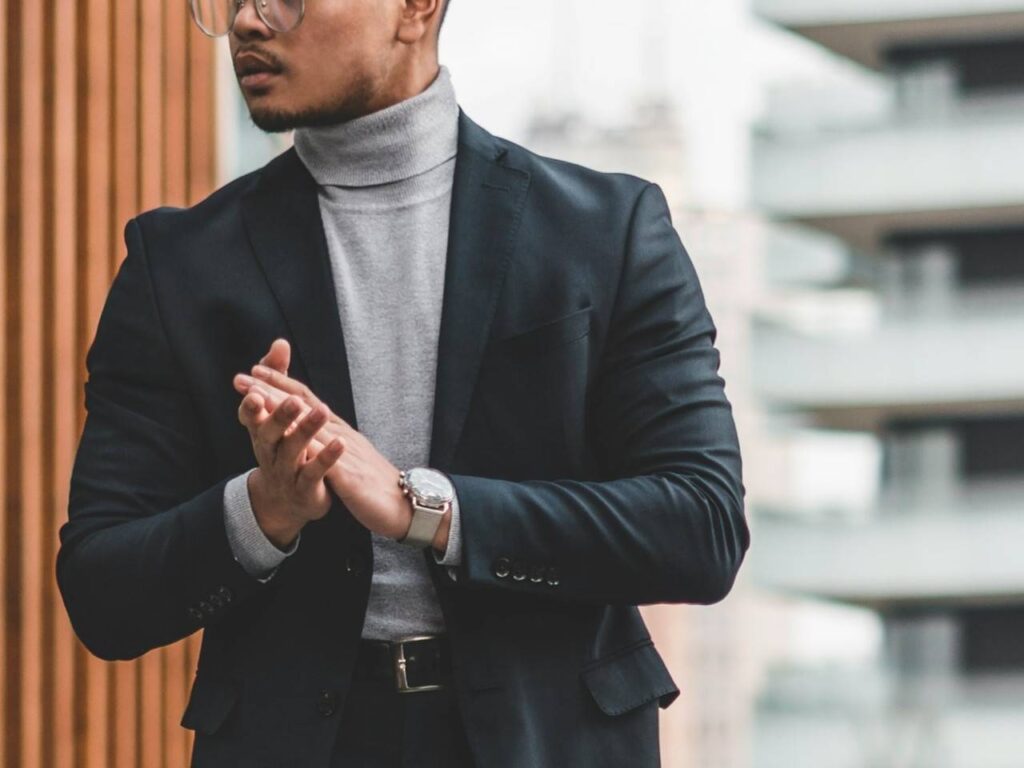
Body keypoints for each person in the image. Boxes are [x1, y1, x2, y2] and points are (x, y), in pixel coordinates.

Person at [56, 0, 750, 765]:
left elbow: (702, 527)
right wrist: (263, 510)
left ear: (415, 7)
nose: (249, 22)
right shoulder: (180, 264)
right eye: (232, 1)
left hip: (546, 738)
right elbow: (103, 590)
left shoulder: (606, 230)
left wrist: (428, 509)